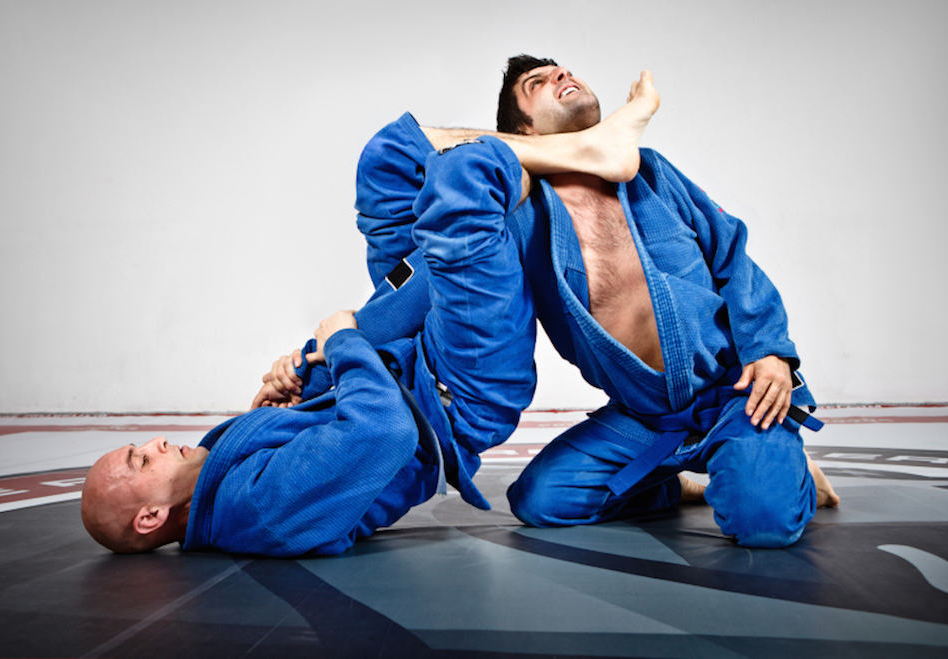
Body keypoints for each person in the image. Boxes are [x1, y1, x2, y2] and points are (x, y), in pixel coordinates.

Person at [80, 83, 661, 556]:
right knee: (472, 196)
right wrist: (344, 343)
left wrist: (293, 383)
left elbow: (319, 423)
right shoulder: (257, 512)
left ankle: (581, 148)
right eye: (141, 460)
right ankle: (589, 149)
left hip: (401, 349)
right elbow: (384, 431)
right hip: (456, 385)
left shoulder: (217, 477)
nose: (155, 443)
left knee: (389, 156)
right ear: (151, 517)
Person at [354, 56, 839, 549]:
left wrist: (769, 350)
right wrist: (334, 341)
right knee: (540, 501)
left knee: (763, 524)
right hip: (648, 418)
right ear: (523, 130)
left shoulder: (650, 172)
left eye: (563, 71)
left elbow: (731, 254)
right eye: (537, 83)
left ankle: (779, 463)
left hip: (737, 390)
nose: (562, 77)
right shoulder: (517, 214)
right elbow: (421, 275)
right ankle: (671, 483)